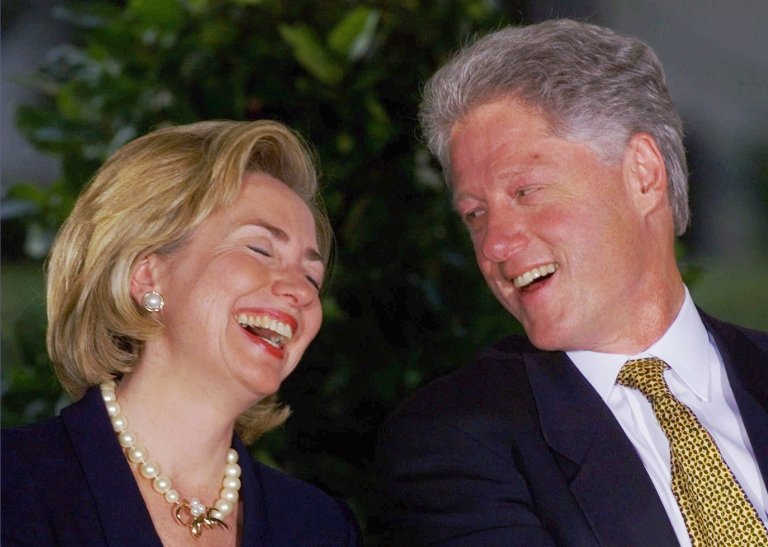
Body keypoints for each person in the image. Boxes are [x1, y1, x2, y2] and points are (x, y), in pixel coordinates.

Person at [377, 18, 768, 546]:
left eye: (526, 191)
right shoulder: (455, 439)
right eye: (474, 214)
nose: (494, 245)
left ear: (643, 174)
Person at [1, 120, 361, 546]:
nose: (300, 290)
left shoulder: (318, 527)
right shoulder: (15, 484)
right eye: (260, 249)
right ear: (148, 276)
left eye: (312, 277)